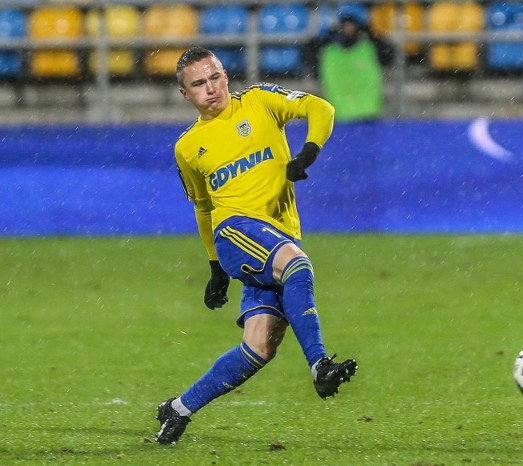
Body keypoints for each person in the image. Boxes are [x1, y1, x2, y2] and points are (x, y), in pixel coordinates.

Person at [154, 46, 358, 445]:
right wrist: (214, 266)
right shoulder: (187, 148)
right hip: (234, 231)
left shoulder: (261, 101)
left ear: (226, 76)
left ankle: (178, 409)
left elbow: (322, 110)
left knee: (260, 347)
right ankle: (320, 365)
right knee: (298, 266)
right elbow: (203, 207)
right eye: (198, 84)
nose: (210, 88)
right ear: (185, 94)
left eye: (214, 78)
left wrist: (309, 152)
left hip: (275, 239)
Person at [307, 15, 394, 121]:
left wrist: (372, 34)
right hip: (339, 117)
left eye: (352, 27)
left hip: (367, 115)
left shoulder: (369, 49)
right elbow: (307, 53)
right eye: (345, 27)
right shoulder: (329, 53)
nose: (348, 31)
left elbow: (390, 55)